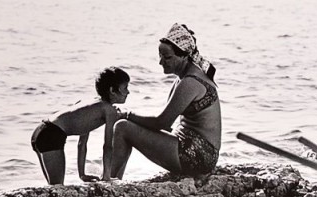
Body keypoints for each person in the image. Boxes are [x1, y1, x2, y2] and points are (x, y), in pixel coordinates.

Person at [106, 23, 221, 179]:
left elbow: (162, 123)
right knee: (126, 126)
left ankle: (111, 181)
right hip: (195, 150)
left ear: (184, 56)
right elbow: (166, 125)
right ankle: (114, 180)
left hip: (199, 156)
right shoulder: (184, 78)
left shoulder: (190, 82)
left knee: (122, 127)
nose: (161, 62)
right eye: (160, 56)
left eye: (167, 57)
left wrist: (127, 115)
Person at [30, 67, 131, 184]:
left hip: (40, 131)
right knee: (56, 188)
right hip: (52, 135)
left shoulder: (88, 103)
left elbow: (82, 144)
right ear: (112, 90)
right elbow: (107, 146)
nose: (128, 92)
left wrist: (82, 174)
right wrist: (106, 177)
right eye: (125, 88)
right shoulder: (109, 110)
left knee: (53, 187)